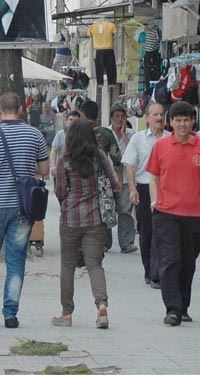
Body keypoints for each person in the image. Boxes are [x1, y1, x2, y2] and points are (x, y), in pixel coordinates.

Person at [147, 101, 200, 326]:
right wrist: (154, 201)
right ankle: (173, 308)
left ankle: (183, 305)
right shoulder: (161, 145)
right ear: (171, 122)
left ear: (192, 122)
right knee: (170, 260)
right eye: (177, 120)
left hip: (195, 213)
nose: (182, 124)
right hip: (166, 212)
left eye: (186, 120)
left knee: (187, 261)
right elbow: (153, 175)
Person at [52, 120, 119, 329]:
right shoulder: (99, 157)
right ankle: (101, 306)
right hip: (96, 219)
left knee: (67, 265)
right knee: (94, 264)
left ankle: (67, 313)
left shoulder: (64, 160)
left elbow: (60, 192)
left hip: (71, 219)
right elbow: (115, 182)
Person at [0, 92, 49, 328]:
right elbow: (44, 170)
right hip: (22, 208)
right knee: (16, 261)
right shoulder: (35, 134)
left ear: (0, 110)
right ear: (20, 109)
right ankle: (10, 314)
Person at [121, 103, 170, 288]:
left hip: (167, 190)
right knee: (147, 232)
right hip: (144, 189)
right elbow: (130, 165)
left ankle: (160, 272)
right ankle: (149, 271)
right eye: (155, 114)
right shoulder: (138, 139)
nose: (159, 118)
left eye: (162, 114)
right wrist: (132, 189)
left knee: (164, 232)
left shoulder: (170, 138)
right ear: (147, 118)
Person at [105, 104, 137, 254]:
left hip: (125, 179)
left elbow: (132, 155)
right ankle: (105, 243)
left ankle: (127, 242)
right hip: (108, 178)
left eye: (122, 116)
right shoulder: (105, 133)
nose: (119, 119)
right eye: (116, 116)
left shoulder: (132, 134)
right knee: (107, 210)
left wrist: (124, 135)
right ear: (111, 117)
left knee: (125, 211)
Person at [50, 111, 80, 179]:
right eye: (71, 120)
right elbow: (53, 151)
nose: (72, 123)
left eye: (76, 121)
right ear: (66, 121)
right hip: (61, 170)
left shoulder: (81, 135)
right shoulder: (60, 134)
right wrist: (53, 166)